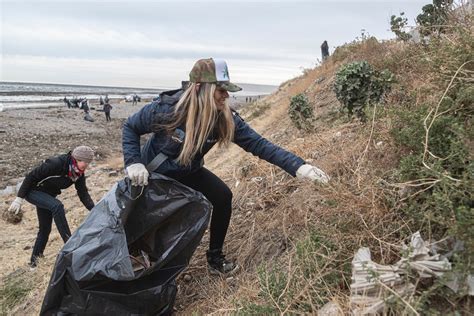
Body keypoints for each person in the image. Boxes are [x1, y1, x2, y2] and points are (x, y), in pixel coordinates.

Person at [122, 58, 330, 275]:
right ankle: (131, 266)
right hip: (152, 176)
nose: (227, 95)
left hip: (187, 171)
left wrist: (300, 168)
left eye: (227, 90)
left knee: (222, 197)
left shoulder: (225, 119)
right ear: (200, 89)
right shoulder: (167, 110)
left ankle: (215, 259)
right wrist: (134, 163)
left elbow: (260, 145)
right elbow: (130, 127)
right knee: (143, 228)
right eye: (220, 90)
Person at [8, 146, 96, 268]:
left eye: (88, 162)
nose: (85, 164)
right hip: (32, 191)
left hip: (47, 195)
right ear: (75, 158)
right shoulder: (56, 163)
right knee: (57, 206)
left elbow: (83, 194)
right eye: (82, 161)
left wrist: (95, 210)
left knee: (45, 229)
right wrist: (19, 199)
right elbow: (30, 176)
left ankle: (34, 263)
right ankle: (70, 244)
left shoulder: (78, 174)